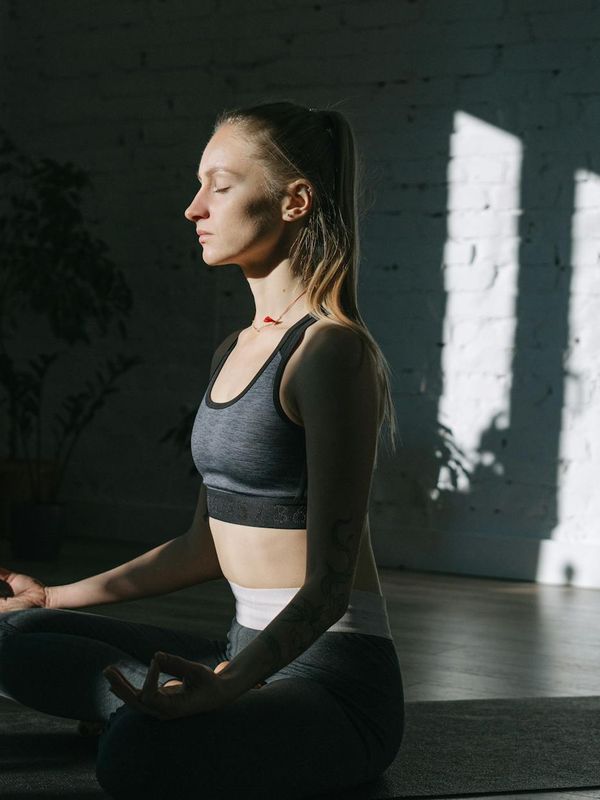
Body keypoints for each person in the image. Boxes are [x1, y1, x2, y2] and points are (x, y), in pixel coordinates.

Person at [0, 100, 404, 799]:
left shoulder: (329, 352)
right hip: (239, 651)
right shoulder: (232, 351)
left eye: (219, 185)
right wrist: (54, 595)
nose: (193, 208)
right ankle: (154, 708)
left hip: (332, 678)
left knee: (135, 756)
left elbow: (329, 587)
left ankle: (151, 717)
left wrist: (225, 689)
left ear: (294, 201)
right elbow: (201, 546)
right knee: (18, 633)